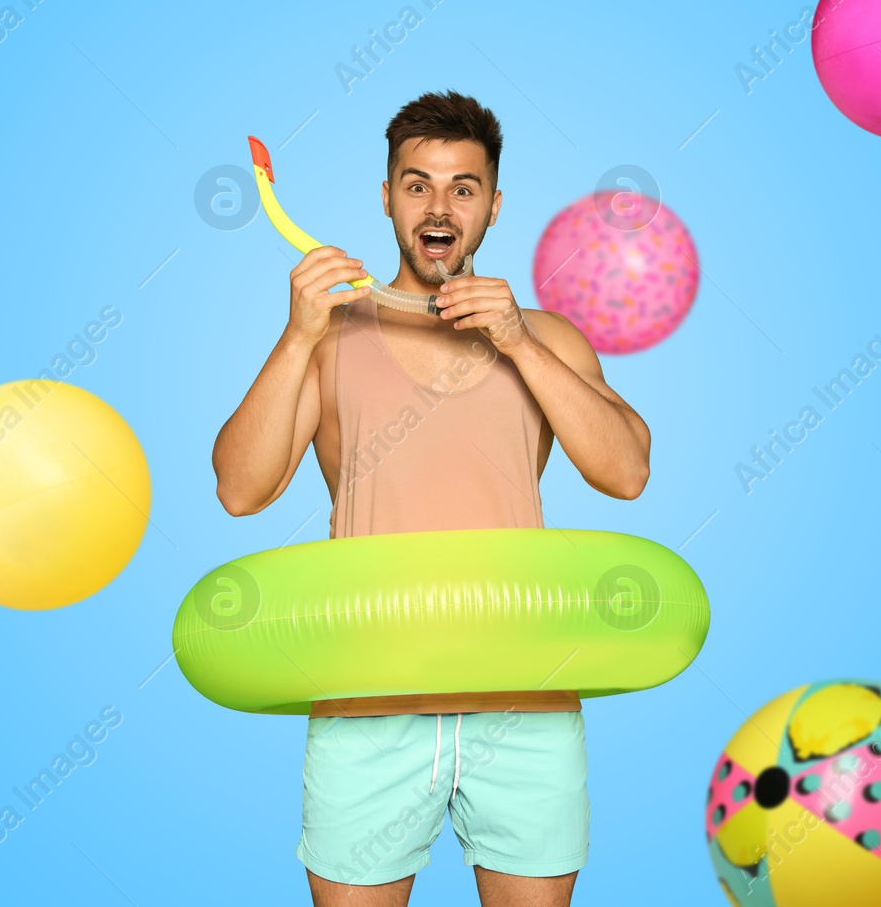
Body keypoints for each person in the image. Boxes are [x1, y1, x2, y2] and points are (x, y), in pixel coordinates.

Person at [212, 90, 651, 907]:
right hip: (368, 703)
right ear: (386, 199)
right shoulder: (330, 335)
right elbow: (240, 490)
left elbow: (626, 473)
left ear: (491, 206)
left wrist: (517, 339)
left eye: (462, 187)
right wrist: (299, 332)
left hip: (524, 703)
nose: (439, 206)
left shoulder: (546, 336)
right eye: (416, 185)